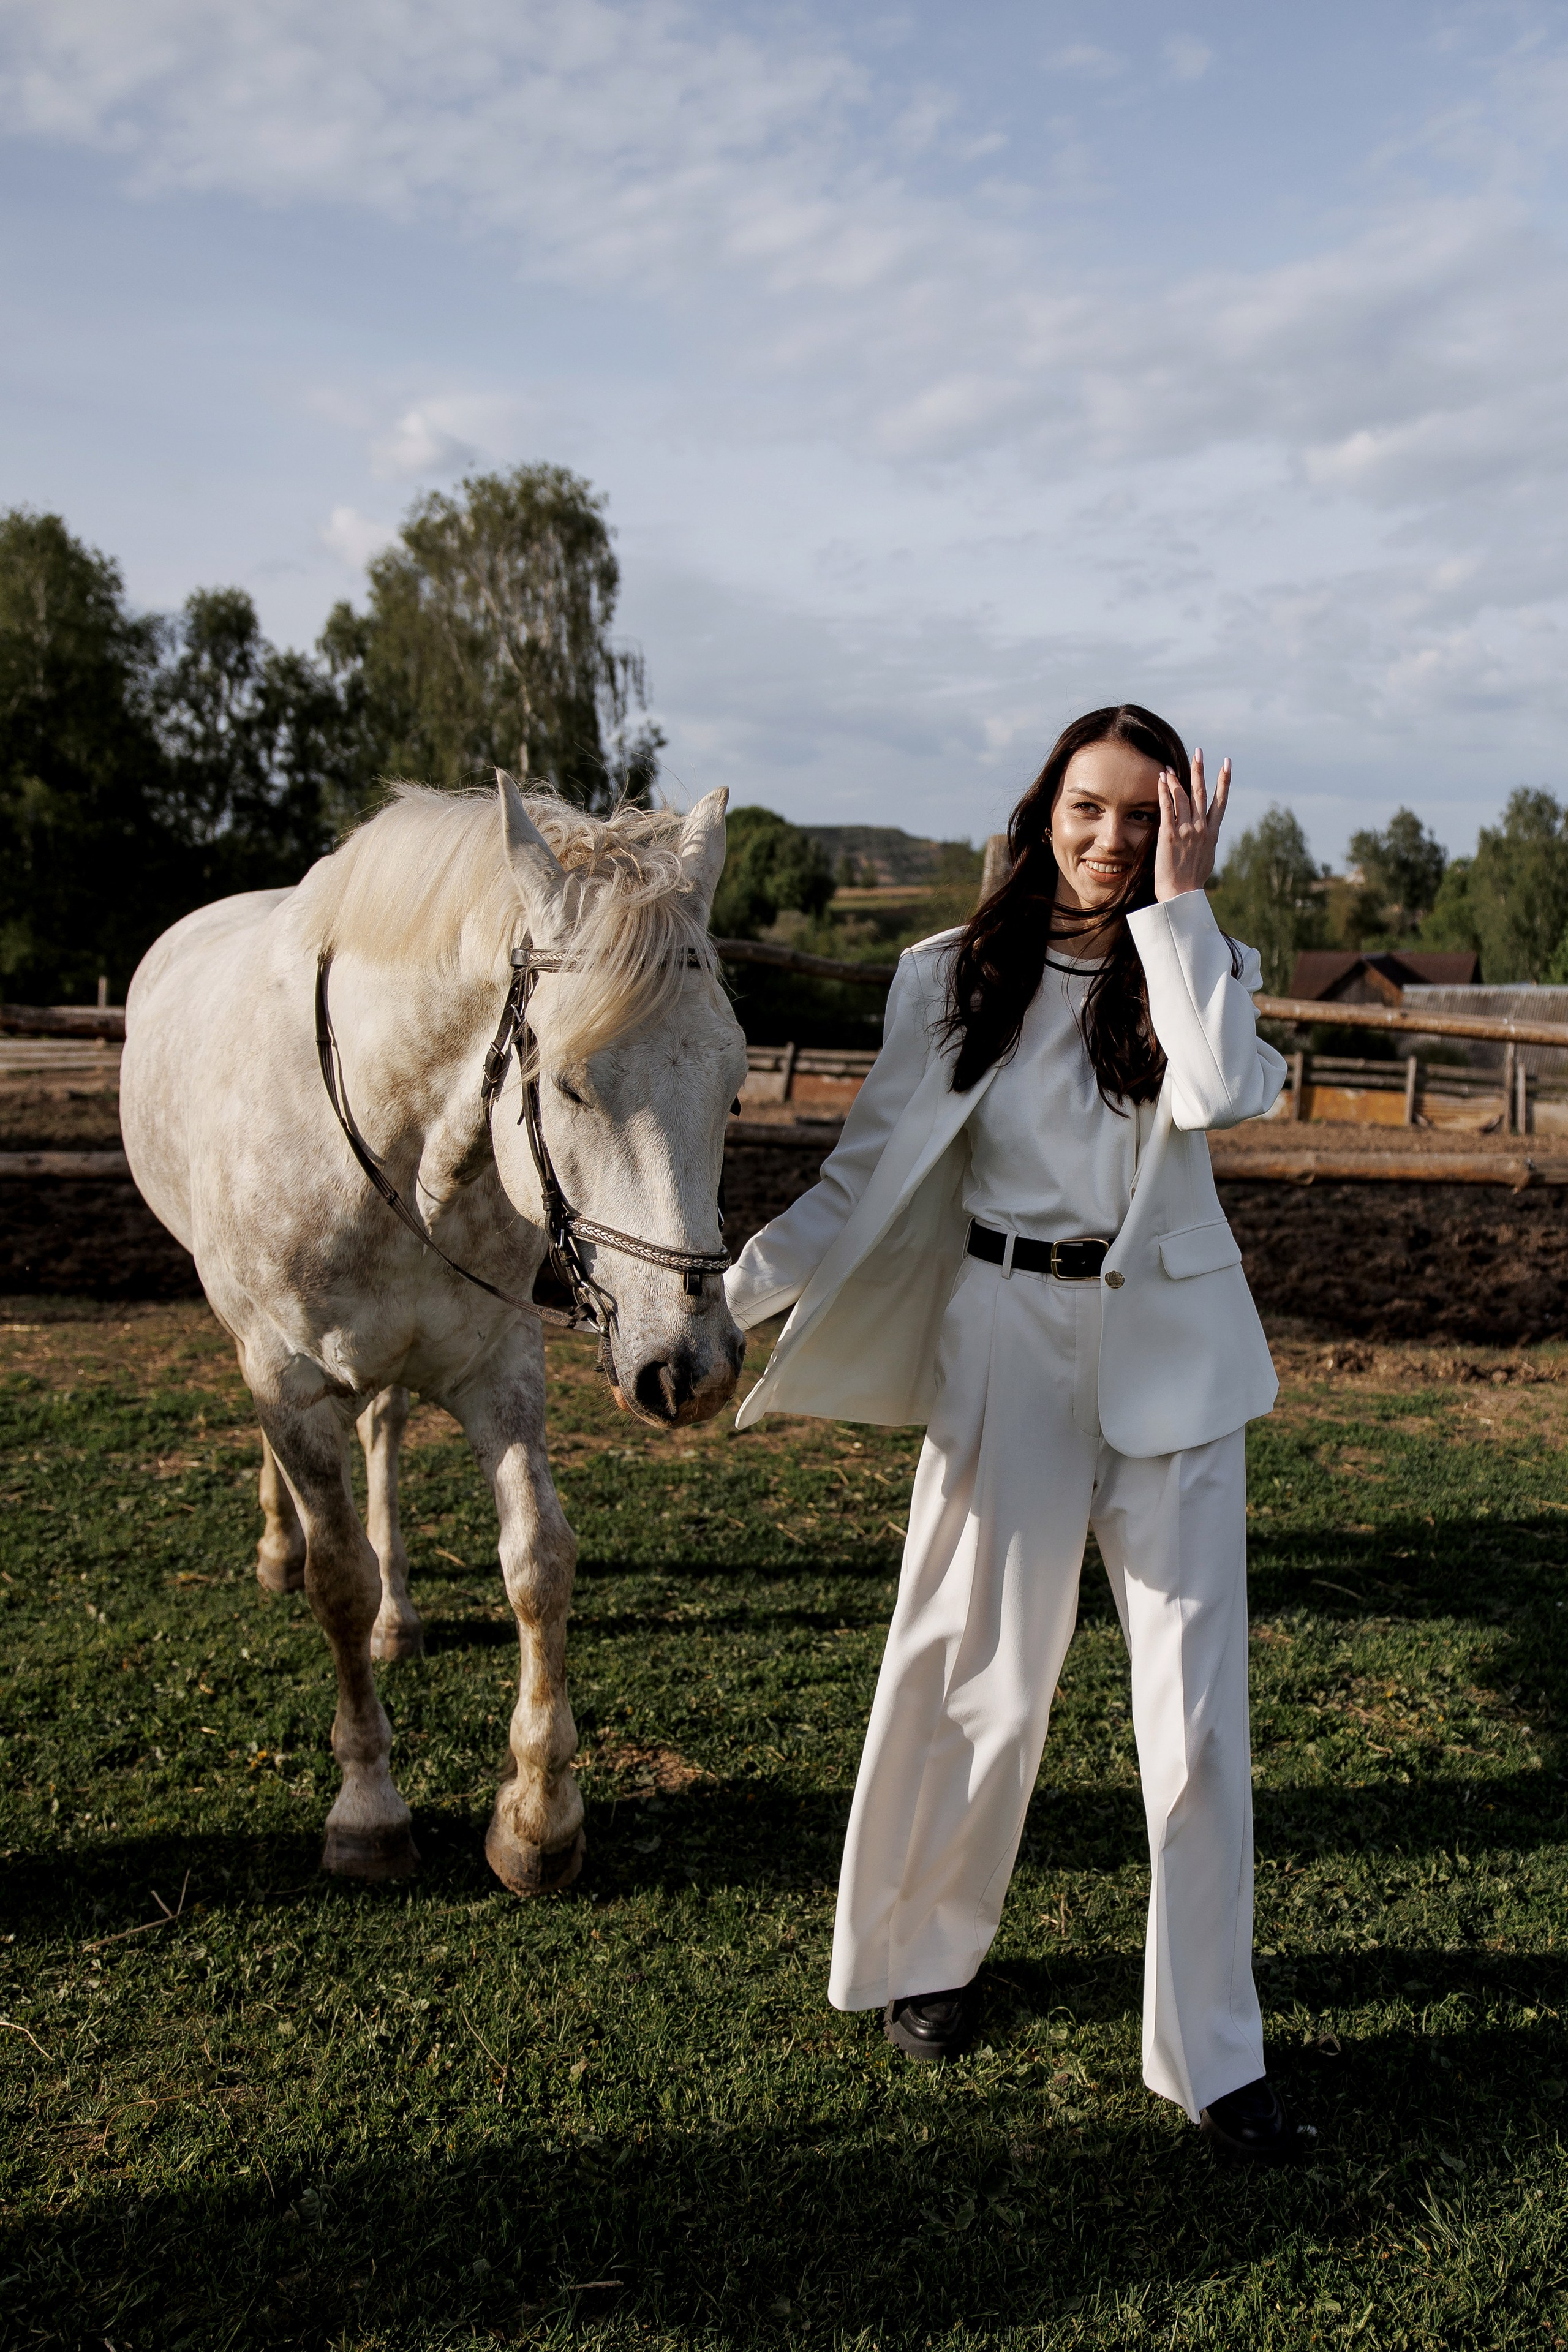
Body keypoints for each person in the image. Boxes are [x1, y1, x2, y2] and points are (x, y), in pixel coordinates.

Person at [723, 704, 1312, 2163]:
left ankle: (1211, 2059)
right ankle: (925, 1961)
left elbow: (1228, 1093)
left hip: (1170, 1365)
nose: (1111, 839)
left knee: (1194, 1733)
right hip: (999, 1341)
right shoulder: (946, 975)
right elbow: (858, 1185)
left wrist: (1185, 912)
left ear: (1178, 826)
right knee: (975, 1681)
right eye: (1088, 808)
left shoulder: (1201, 962)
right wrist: (711, 1301)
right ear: (1043, 804)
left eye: (1141, 816)